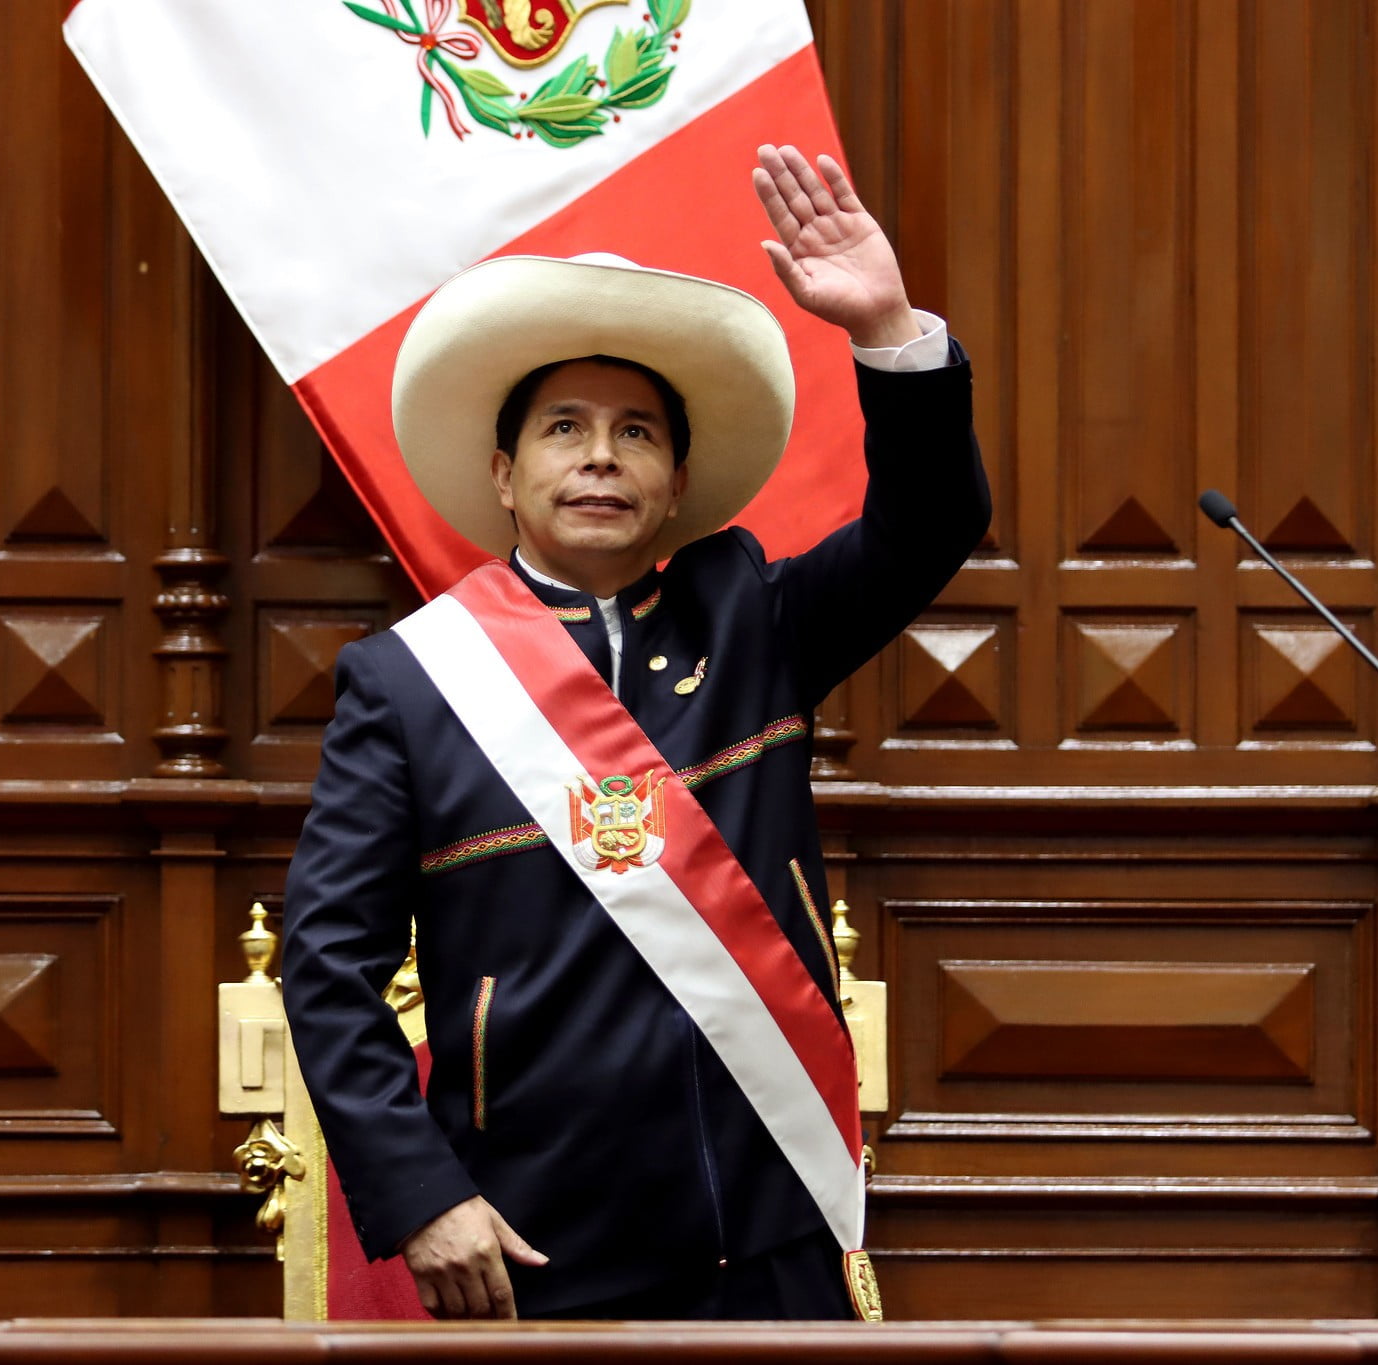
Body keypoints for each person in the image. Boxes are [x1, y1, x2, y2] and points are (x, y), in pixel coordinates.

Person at [281, 144, 990, 1321]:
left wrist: (886, 330)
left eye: (636, 432)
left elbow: (930, 524)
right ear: (505, 475)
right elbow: (329, 967)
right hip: (532, 1238)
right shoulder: (409, 684)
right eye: (563, 428)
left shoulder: (753, 618)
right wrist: (420, 1198)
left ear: (674, 484)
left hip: (769, 1223)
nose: (601, 454)